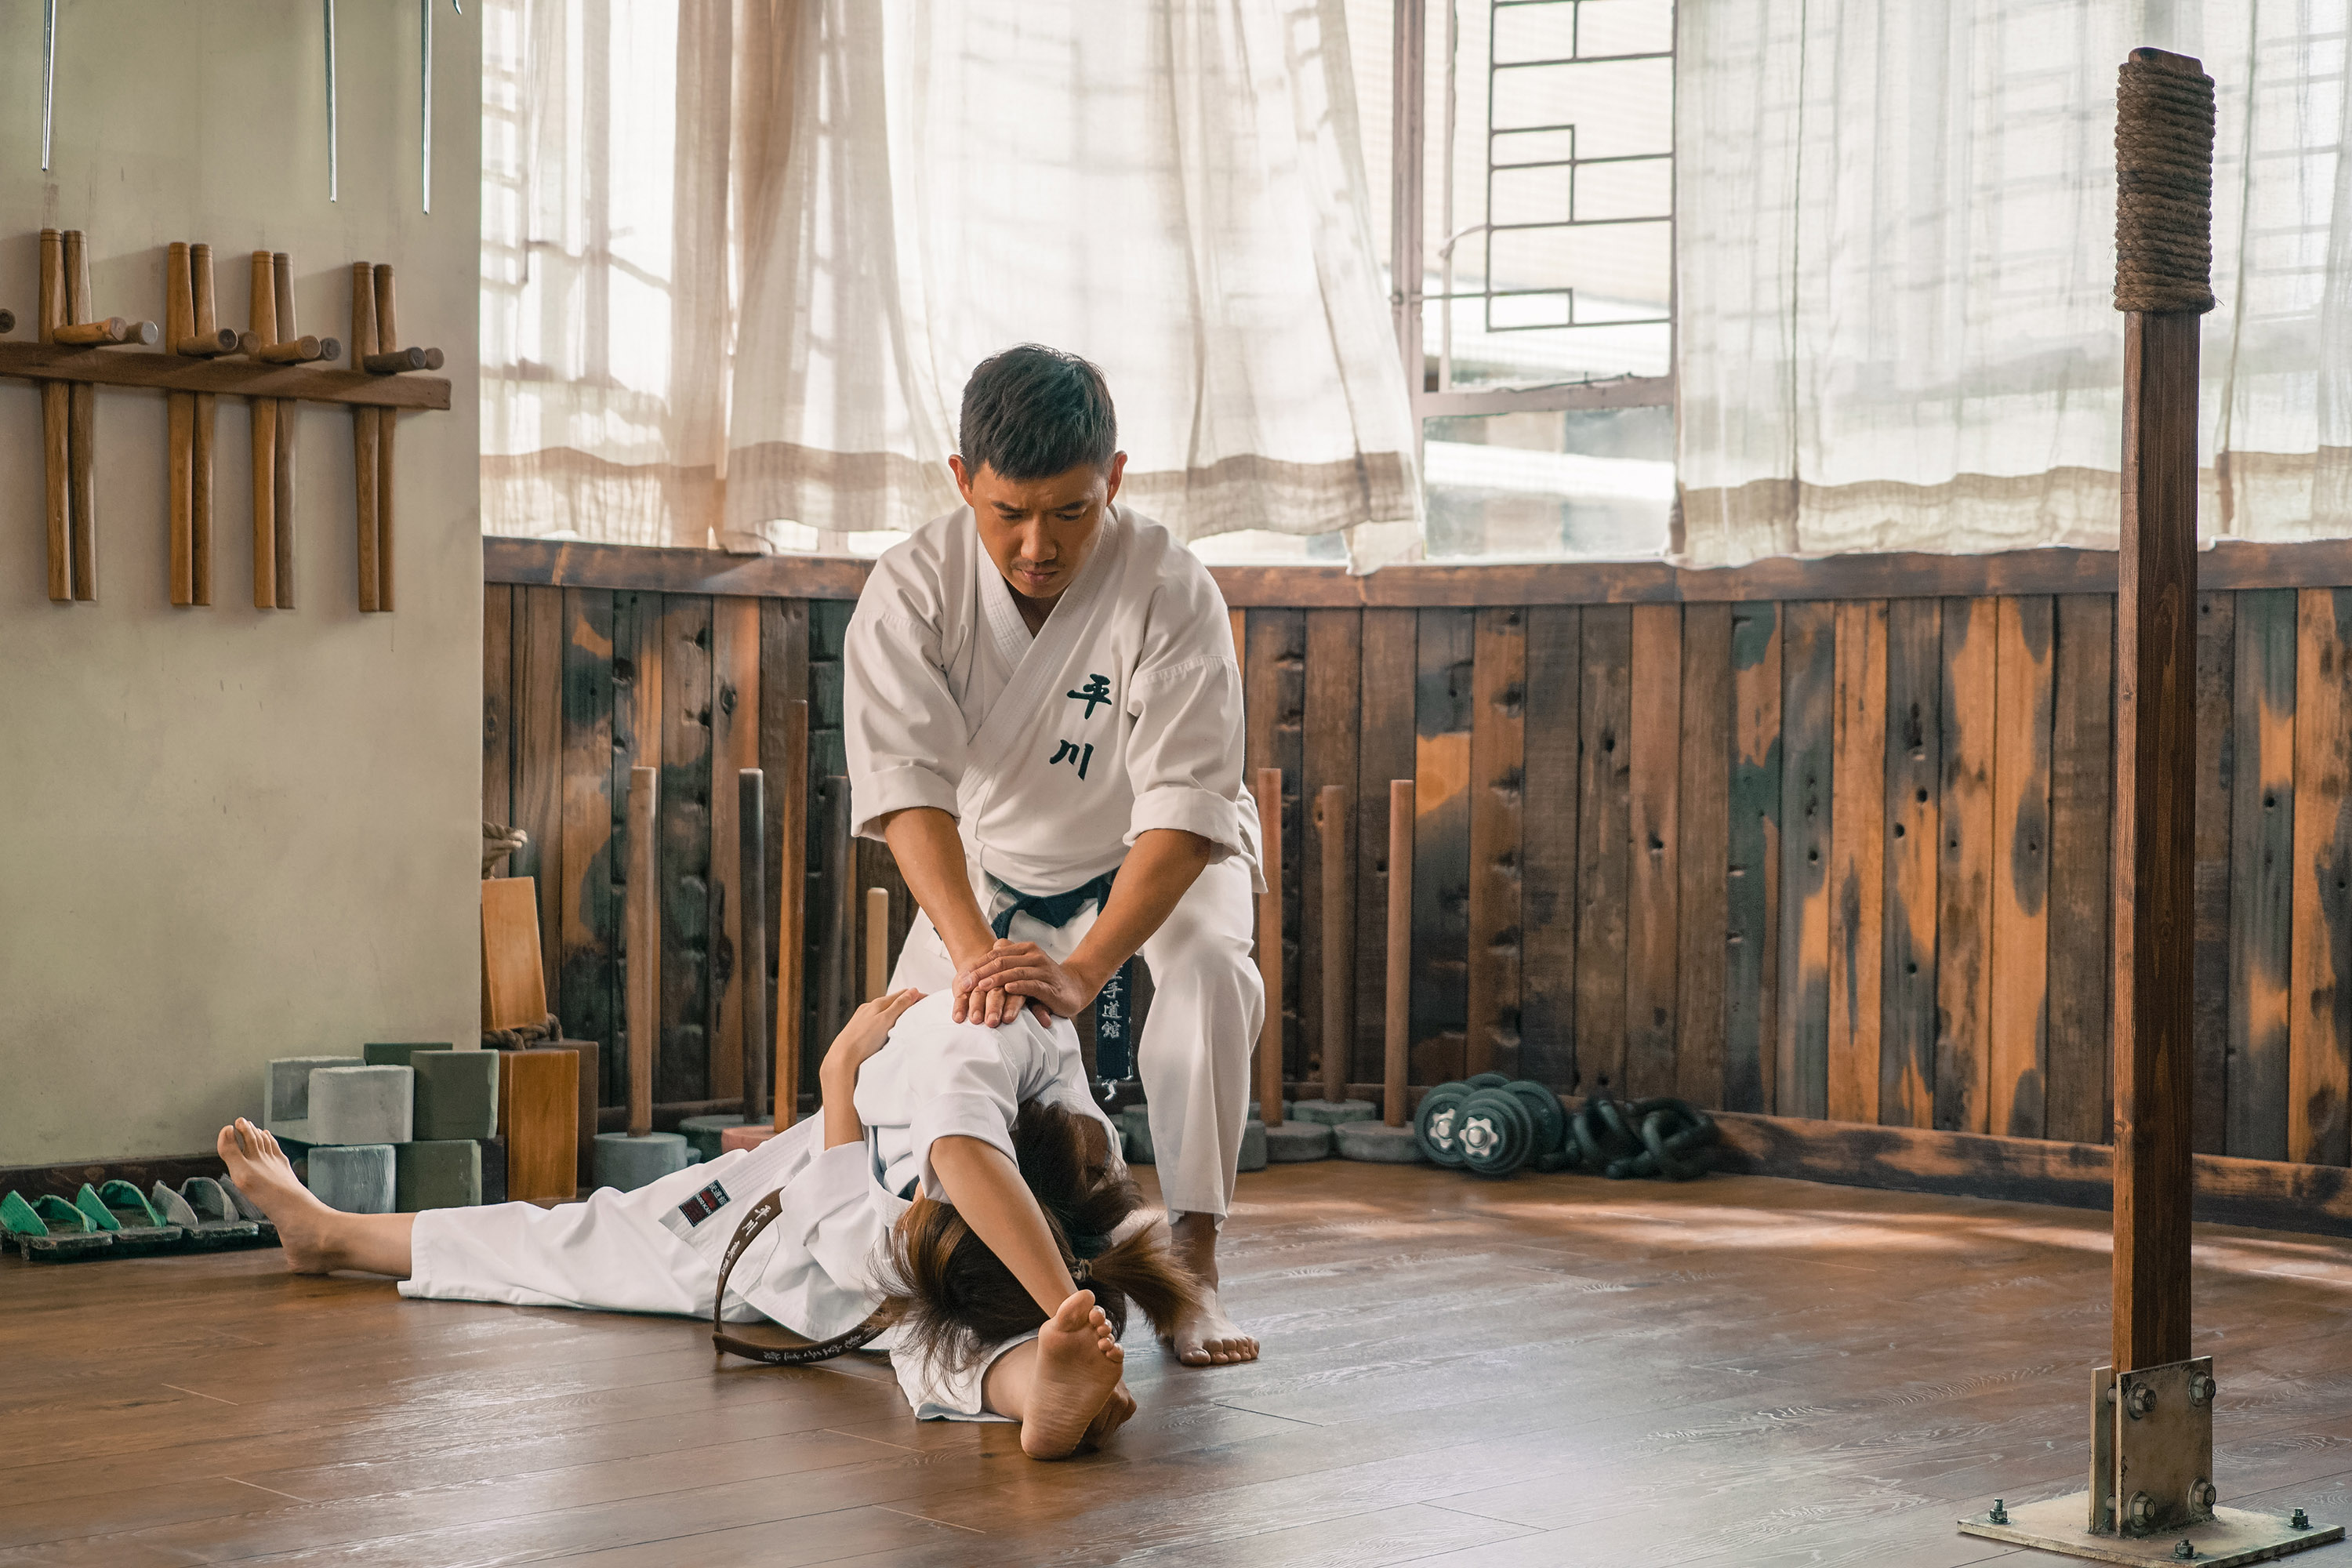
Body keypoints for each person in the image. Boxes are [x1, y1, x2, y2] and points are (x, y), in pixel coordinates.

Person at [212, 991, 1199, 1459]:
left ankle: (330, 1233)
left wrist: (835, 1076)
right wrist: (1073, 1301)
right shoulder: (1041, 1090)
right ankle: (1039, 1387)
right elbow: (1018, 1172)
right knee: (937, 1354)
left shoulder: (943, 1124)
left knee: (569, 1239)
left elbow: (926, 1169)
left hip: (821, 1245)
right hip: (927, 1266)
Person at [845, 344, 1262, 1368]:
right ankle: (920, 1260)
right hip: (989, 872)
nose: (1038, 545)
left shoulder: (1169, 586)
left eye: (1071, 512)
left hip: (1156, 860)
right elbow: (909, 795)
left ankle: (1195, 1260)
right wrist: (978, 953)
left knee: (1211, 973)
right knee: (913, 1056)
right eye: (1008, 513)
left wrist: (1083, 972)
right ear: (961, 482)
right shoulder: (913, 588)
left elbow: (1182, 807)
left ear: (1113, 479)